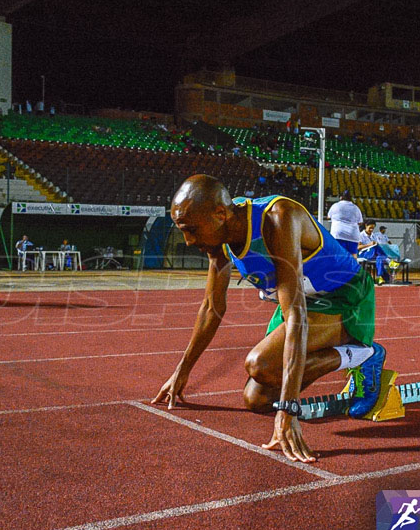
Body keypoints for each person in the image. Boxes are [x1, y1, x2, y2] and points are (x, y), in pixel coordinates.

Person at [152, 175, 386, 462]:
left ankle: (365, 355)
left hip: (345, 296)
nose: (188, 241)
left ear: (221, 214)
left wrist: (289, 409)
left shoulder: (279, 219)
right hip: (304, 301)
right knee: (257, 399)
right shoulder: (218, 233)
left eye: (191, 230)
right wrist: (182, 371)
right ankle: (346, 354)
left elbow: (296, 316)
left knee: (259, 363)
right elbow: (212, 308)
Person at [327, 189, 363, 254]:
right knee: (353, 255)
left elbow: (328, 217)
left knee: (339, 254)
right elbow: (360, 222)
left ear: (341, 197)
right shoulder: (355, 208)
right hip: (352, 234)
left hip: (338, 233)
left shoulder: (335, 205)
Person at [358, 220, 388, 285]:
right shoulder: (360, 235)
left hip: (373, 254)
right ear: (366, 226)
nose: (371, 230)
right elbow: (358, 247)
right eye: (370, 228)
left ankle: (379, 277)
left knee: (380, 257)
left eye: (373, 228)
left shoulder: (373, 235)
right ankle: (388, 260)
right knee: (375, 247)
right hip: (364, 254)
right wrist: (369, 244)